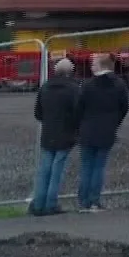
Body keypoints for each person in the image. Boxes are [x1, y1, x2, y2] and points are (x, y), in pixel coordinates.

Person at [75, 53, 129, 212]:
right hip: (107, 129)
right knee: (99, 167)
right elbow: (124, 108)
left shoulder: (87, 85)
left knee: (86, 167)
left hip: (87, 129)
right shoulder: (119, 85)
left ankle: (83, 202)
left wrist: (80, 124)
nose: (91, 66)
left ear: (101, 66)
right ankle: (94, 201)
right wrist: (114, 122)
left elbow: (79, 107)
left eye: (93, 63)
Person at [28, 58, 81, 216]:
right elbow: (78, 112)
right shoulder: (74, 89)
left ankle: (38, 203)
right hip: (66, 134)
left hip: (48, 133)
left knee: (44, 170)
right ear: (71, 72)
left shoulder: (45, 87)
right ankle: (51, 204)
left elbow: (38, 113)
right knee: (57, 170)